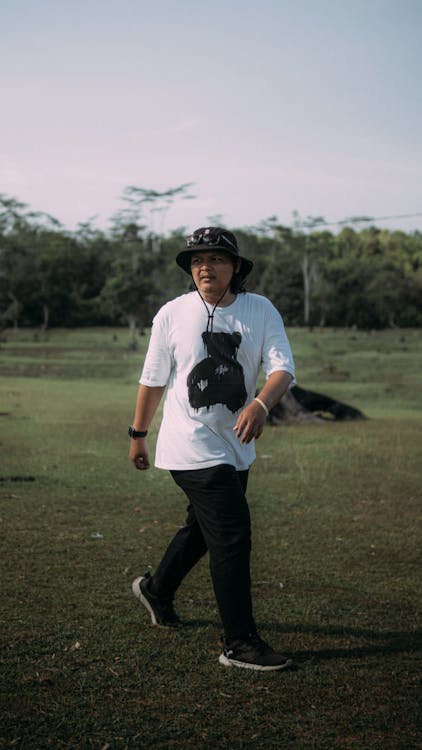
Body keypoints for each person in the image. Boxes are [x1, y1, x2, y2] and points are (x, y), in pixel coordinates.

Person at [129, 227, 295, 671]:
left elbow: (283, 369)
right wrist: (137, 433)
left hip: (236, 445)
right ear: (190, 268)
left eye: (217, 259)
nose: (206, 267)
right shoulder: (172, 313)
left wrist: (261, 403)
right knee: (232, 533)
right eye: (197, 260)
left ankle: (157, 589)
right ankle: (238, 642)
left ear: (236, 267)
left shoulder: (260, 311)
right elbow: (153, 377)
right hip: (189, 443)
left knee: (202, 530)